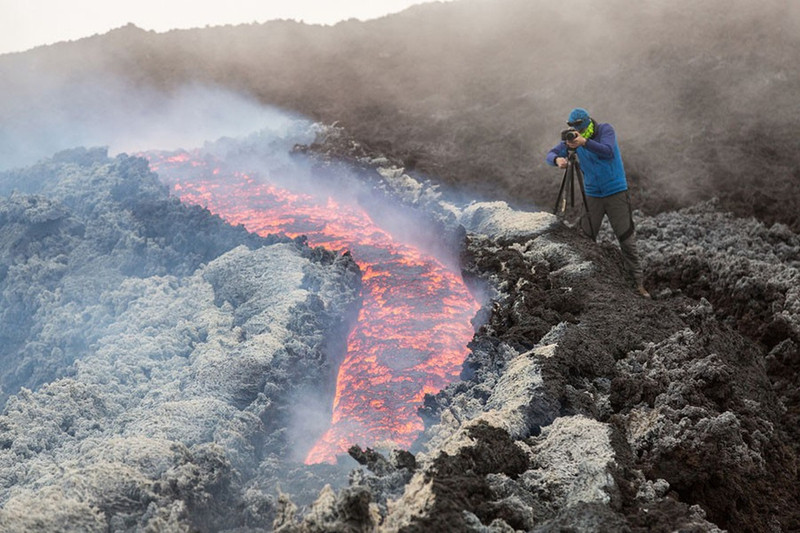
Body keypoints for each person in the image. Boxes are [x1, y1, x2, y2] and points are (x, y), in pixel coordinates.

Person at [546, 107, 650, 298]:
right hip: (593, 195)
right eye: (572, 127)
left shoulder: (605, 130)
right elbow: (550, 154)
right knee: (586, 238)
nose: (575, 130)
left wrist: (584, 142)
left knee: (626, 238)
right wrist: (557, 159)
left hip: (615, 192)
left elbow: (608, 151)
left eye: (578, 126)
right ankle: (588, 283)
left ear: (586, 122)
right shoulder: (573, 139)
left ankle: (637, 284)